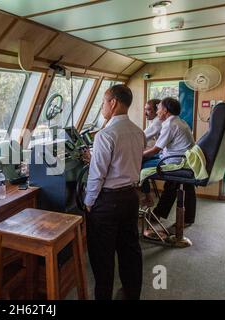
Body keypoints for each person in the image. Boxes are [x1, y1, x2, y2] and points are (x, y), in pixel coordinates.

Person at [85, 84, 145, 300]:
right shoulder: (139, 132)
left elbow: (97, 175)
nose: (102, 107)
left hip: (107, 202)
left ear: (113, 103)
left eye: (103, 102)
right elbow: (126, 162)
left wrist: (89, 202)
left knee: (103, 257)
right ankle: (131, 294)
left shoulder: (105, 135)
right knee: (130, 250)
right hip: (130, 197)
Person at [143, 97, 196, 226]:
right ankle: (159, 214)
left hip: (175, 162)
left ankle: (148, 199)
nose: (157, 112)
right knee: (171, 185)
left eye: (158, 109)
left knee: (142, 165)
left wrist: (139, 155)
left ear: (165, 110)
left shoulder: (170, 124)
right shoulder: (180, 121)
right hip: (184, 160)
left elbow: (156, 149)